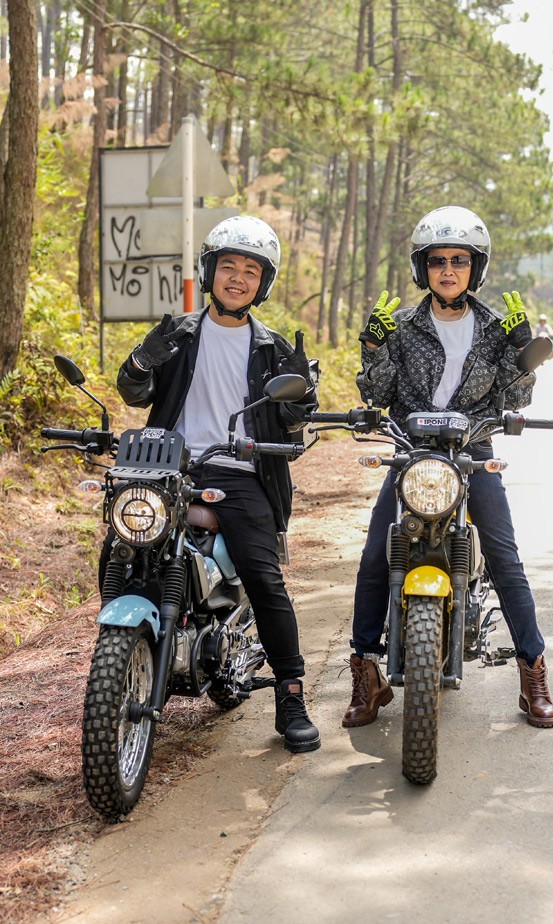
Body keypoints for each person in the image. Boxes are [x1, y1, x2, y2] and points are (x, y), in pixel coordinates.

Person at [343, 205, 553, 730]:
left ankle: (532, 675)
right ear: (422, 268)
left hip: (473, 453)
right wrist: (372, 348)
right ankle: (365, 671)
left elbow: (518, 397)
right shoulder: (400, 327)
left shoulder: (491, 329)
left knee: (505, 557)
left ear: (474, 268)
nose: (447, 269)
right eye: (436, 260)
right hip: (412, 456)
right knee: (376, 554)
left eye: (459, 260)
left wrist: (519, 352)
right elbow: (377, 393)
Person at [115, 215, 321, 753]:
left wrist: (302, 400)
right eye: (228, 266)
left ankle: (292, 695)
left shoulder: (272, 347)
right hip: (170, 467)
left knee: (265, 579)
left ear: (262, 284)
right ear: (210, 272)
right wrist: (141, 360)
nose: (237, 278)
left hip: (239, 472)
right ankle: (125, 655)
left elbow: (295, 422)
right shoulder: (178, 334)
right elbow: (134, 394)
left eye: (250, 271)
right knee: (126, 547)